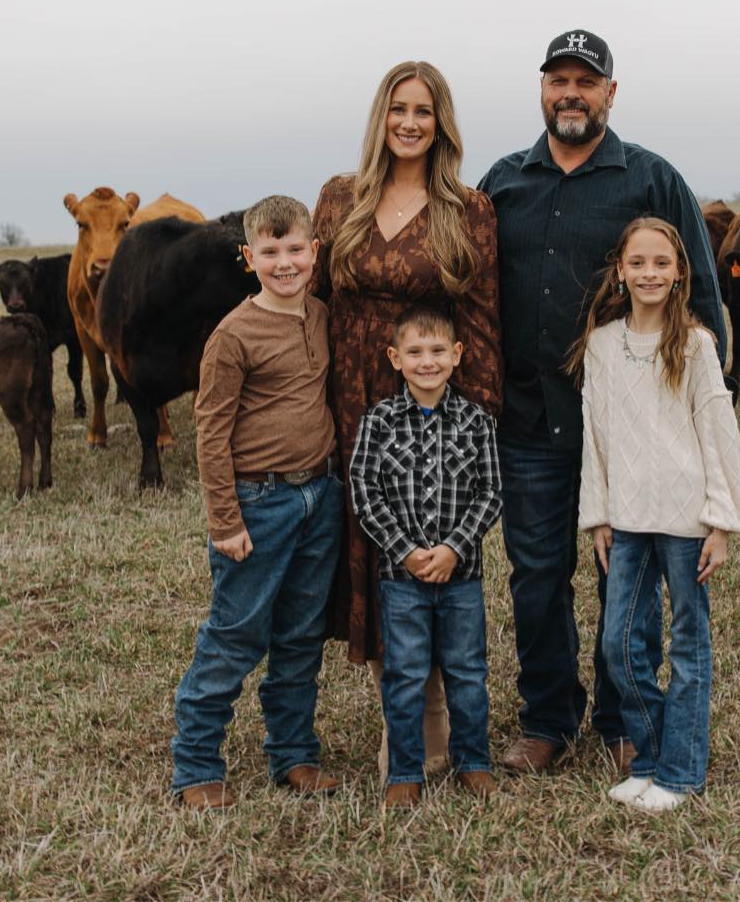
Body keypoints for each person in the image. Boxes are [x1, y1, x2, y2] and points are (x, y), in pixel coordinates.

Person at [477, 29, 727, 775]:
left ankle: (625, 718)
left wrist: (706, 415)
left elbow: (701, 297)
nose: (571, 94)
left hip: (631, 430)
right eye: (559, 80)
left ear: (610, 93)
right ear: (541, 90)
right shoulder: (502, 183)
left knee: (629, 576)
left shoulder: (650, 180)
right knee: (536, 576)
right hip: (529, 418)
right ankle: (548, 719)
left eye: (586, 81)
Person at [312, 61, 502, 779]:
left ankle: (433, 724)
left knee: (429, 544)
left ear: (441, 122)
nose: (410, 123)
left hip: (429, 397)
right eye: (398, 109)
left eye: (423, 111)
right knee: (369, 551)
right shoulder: (340, 197)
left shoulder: (468, 209)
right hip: (349, 392)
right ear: (381, 117)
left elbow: (481, 319)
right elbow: (311, 297)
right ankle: (400, 716)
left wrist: (474, 420)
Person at [170, 195, 343, 811]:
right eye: (270, 252)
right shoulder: (233, 335)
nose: (285, 262)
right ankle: (196, 764)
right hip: (259, 500)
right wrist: (225, 520)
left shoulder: (320, 316)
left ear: (314, 252)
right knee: (236, 633)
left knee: (301, 634)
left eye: (295, 249)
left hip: (320, 494)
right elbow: (210, 431)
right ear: (249, 257)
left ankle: (292, 753)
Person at [567, 217, 740, 812]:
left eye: (661, 263)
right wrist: (598, 515)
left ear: (679, 272)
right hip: (627, 519)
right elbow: (595, 436)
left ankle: (680, 773)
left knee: (688, 646)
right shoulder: (602, 344)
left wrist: (720, 521)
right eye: (638, 263)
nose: (649, 273)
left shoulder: (694, 345)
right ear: (620, 270)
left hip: (686, 520)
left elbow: (719, 433)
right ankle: (648, 758)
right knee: (620, 645)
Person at [349, 305, 503, 808]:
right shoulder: (378, 421)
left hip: (462, 578)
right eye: (415, 352)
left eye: (438, 351)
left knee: (467, 673)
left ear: (457, 355)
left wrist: (455, 548)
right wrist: (406, 551)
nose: (427, 362)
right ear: (395, 358)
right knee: (405, 676)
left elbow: (491, 493)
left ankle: (473, 761)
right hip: (401, 580)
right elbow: (364, 491)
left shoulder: (477, 422)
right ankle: (405, 770)